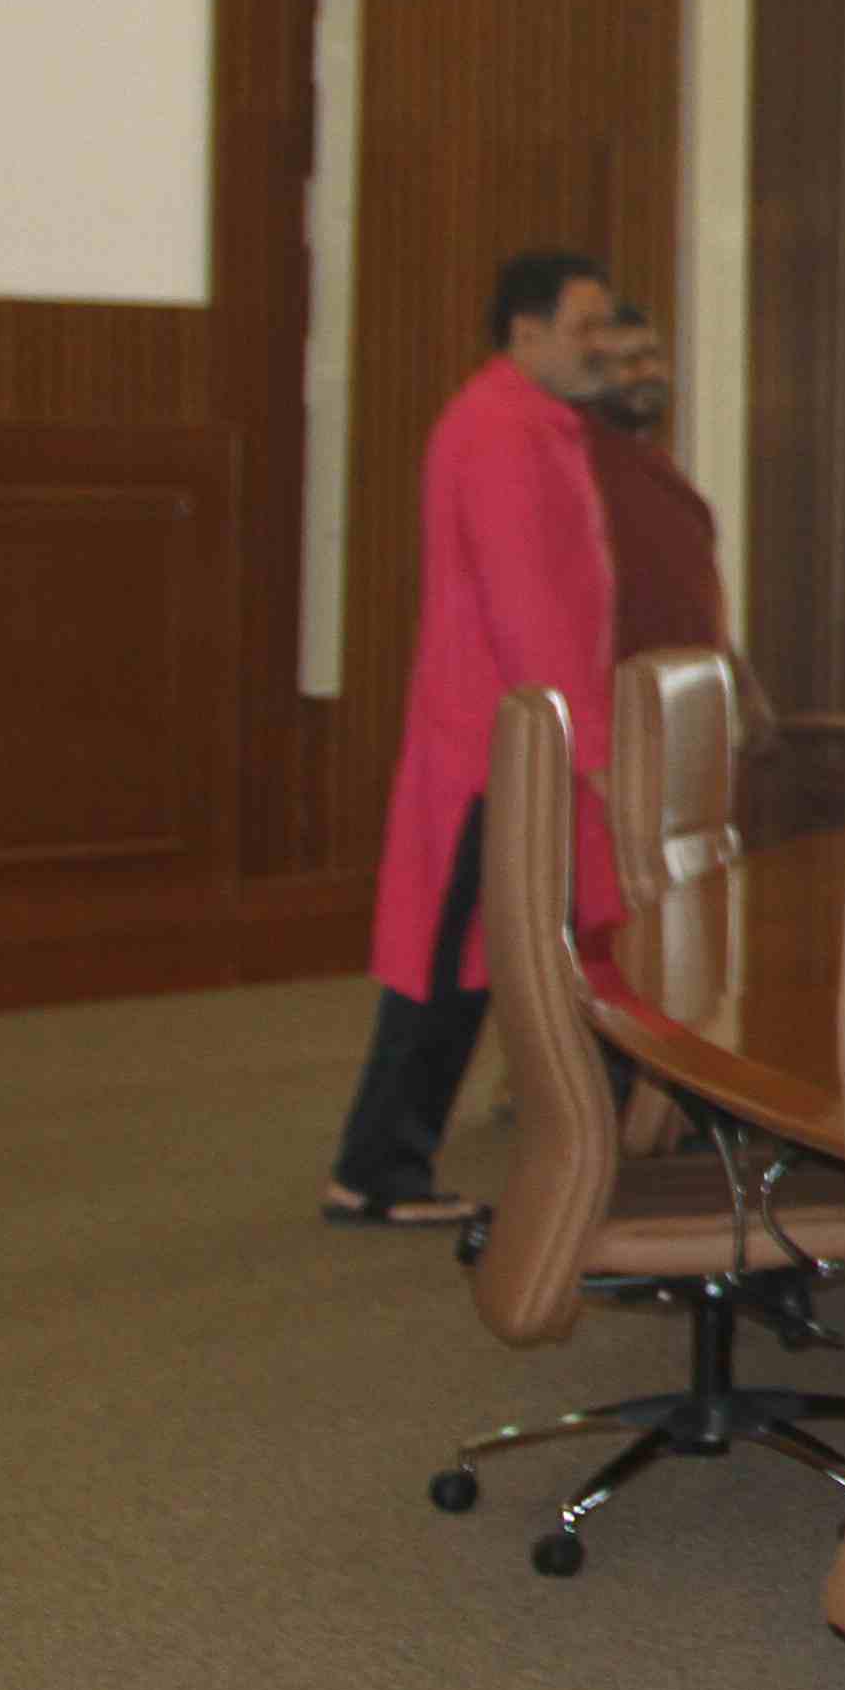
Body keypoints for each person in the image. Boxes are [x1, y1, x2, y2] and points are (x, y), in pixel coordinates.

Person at [320, 250, 629, 1229]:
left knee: (479, 961)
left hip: (521, 740)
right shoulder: (497, 429)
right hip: (499, 748)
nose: (602, 345)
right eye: (583, 327)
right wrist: (587, 748)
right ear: (525, 332)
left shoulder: (535, 422)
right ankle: (377, 1169)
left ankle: (396, 1162)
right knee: (448, 965)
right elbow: (524, 604)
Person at [573, 306, 771, 746]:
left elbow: (696, 591)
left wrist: (742, 684)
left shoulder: (659, 468)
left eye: (653, 356)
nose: (647, 372)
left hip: (691, 711)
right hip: (624, 718)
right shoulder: (580, 469)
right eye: (628, 362)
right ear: (591, 377)